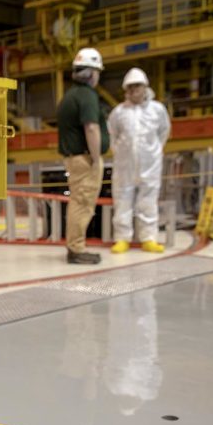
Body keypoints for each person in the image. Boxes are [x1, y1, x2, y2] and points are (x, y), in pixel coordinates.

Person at [108, 67, 171, 254]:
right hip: (124, 167)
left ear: (145, 87)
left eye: (137, 86)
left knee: (148, 202)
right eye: (130, 87)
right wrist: (120, 153)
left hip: (150, 165)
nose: (133, 90)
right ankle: (122, 238)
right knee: (122, 201)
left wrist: (154, 152)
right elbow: (112, 135)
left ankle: (148, 239)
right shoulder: (119, 112)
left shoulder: (157, 110)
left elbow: (164, 132)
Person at [57, 47, 109, 265]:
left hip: (75, 157)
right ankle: (76, 249)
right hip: (84, 158)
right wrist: (96, 159)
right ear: (92, 73)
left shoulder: (70, 96)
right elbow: (91, 128)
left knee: (78, 202)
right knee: (83, 202)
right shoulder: (87, 95)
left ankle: (74, 246)